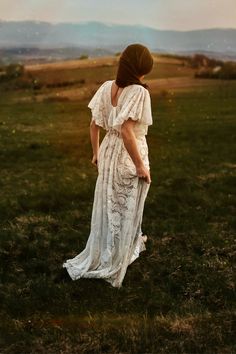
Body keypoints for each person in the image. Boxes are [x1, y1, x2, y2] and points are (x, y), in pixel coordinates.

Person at [62, 43, 154, 288]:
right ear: (142, 67)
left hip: (108, 152)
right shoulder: (139, 92)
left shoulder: (106, 87)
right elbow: (126, 130)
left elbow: (94, 125)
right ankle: (118, 255)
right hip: (127, 154)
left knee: (110, 204)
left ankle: (113, 249)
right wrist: (140, 166)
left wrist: (96, 154)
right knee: (126, 205)